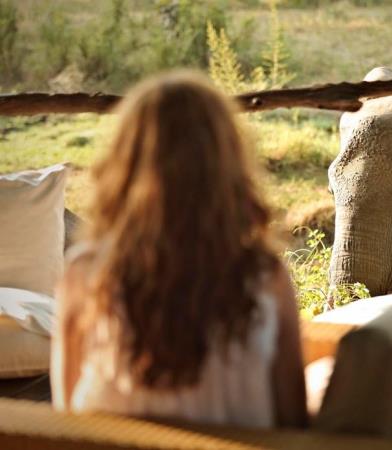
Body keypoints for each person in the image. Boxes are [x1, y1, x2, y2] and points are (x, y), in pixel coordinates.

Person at [51, 71, 307, 429]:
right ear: (228, 163)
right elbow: (292, 419)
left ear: (128, 163)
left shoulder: (86, 273)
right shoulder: (265, 275)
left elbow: (65, 417)